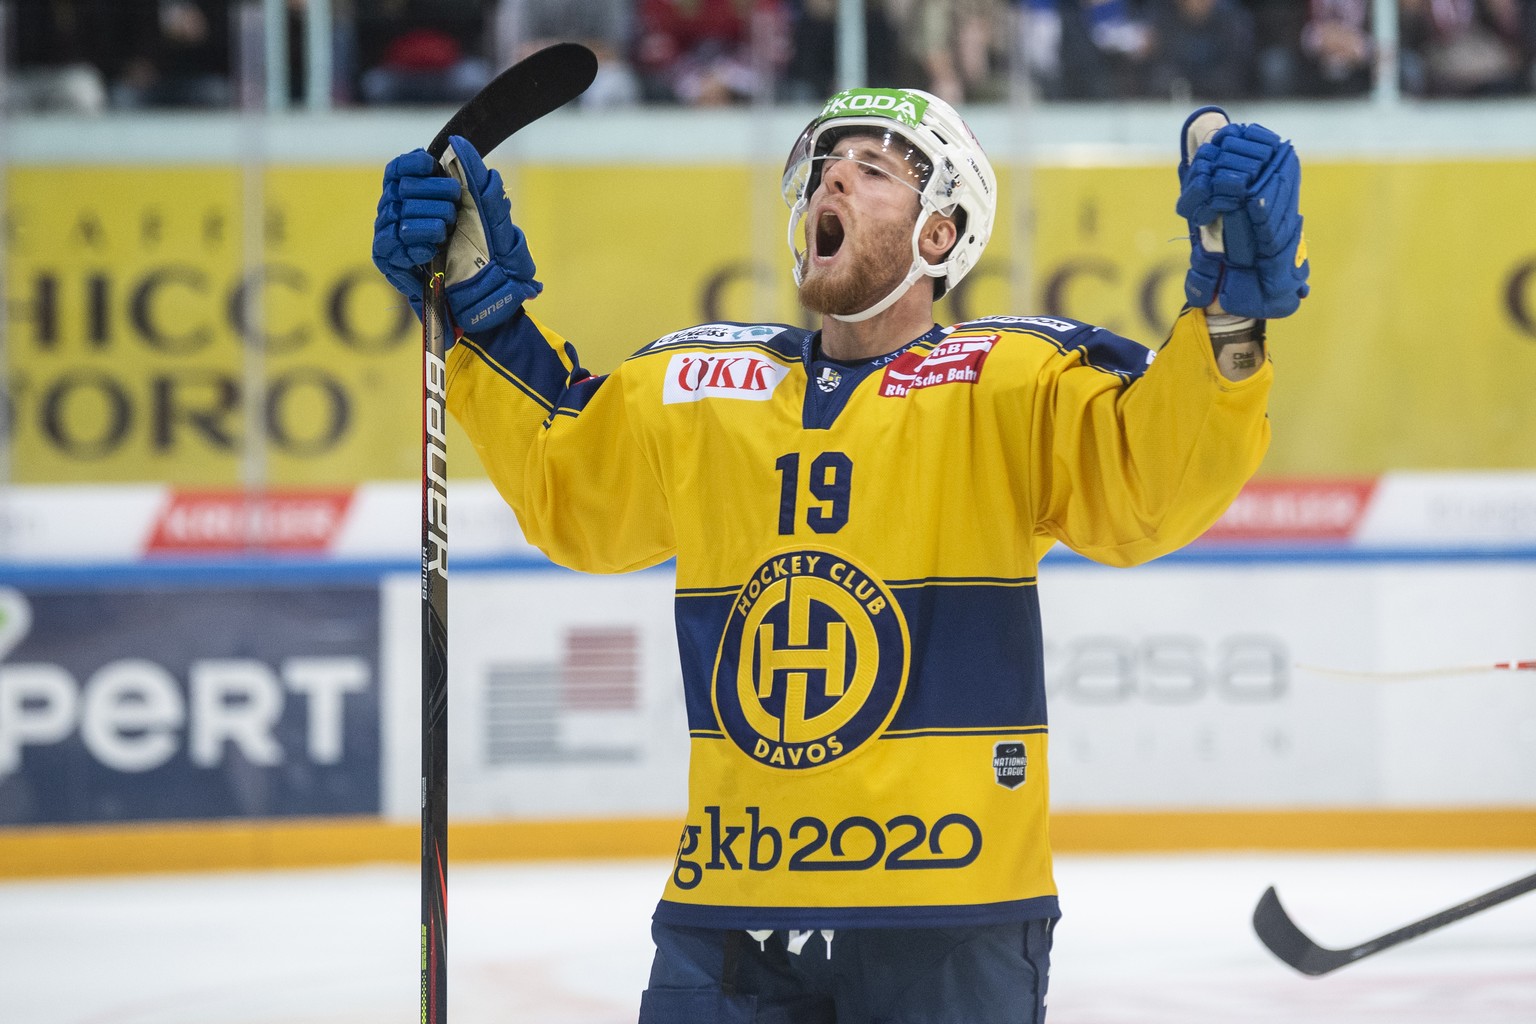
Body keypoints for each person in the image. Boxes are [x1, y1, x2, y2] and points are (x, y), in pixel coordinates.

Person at [372, 89, 1308, 1021]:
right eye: (825, 165)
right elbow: (570, 491)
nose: (834, 177)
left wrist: (1227, 326)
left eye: (875, 168)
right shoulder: (700, 386)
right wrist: (480, 310)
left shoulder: (1014, 380)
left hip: (954, 910)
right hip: (728, 916)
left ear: (940, 233)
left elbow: (1149, 490)